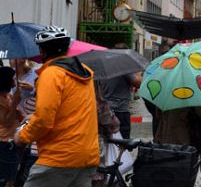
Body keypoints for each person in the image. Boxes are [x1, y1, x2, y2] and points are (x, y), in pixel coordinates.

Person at [14, 26, 99, 187]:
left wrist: (22, 137)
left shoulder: (52, 74)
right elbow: (71, 111)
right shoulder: (83, 73)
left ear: (42, 50)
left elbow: (44, 120)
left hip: (59, 157)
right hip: (86, 155)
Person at [100, 71, 141, 139]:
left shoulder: (101, 69)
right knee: (123, 142)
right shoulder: (122, 68)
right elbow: (138, 83)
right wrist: (137, 74)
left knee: (109, 140)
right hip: (121, 111)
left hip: (106, 111)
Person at [1, 67, 23, 187]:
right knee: (7, 180)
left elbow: (21, 116)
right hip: (4, 143)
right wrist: (15, 102)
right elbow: (7, 122)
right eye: (13, 78)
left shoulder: (8, 95)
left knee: (13, 178)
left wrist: (16, 101)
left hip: (14, 141)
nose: (15, 80)